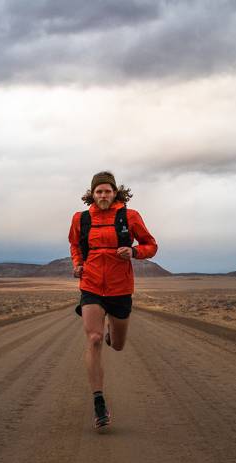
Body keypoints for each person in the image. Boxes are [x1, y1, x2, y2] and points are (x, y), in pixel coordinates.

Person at [68, 171, 158, 430]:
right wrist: (78, 264)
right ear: (92, 194)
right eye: (99, 191)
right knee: (93, 339)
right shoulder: (81, 218)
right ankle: (99, 403)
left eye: (107, 191)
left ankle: (112, 335)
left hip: (120, 288)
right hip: (92, 284)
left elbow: (151, 245)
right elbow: (75, 245)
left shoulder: (130, 216)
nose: (103, 195)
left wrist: (134, 251)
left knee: (117, 345)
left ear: (115, 192)